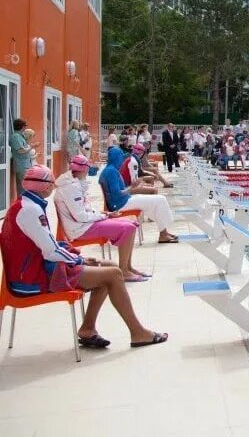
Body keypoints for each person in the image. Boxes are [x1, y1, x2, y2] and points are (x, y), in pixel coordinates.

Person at [0, 165, 167, 348]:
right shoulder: (31, 210)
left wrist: (79, 259)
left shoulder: (26, 204)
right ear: (42, 186)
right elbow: (50, 251)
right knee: (114, 275)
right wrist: (79, 260)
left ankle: (88, 329)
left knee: (108, 267)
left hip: (34, 268)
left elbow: (47, 246)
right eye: (50, 182)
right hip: (32, 279)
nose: (52, 186)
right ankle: (138, 333)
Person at [55, 155, 148, 282]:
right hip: (80, 229)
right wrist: (103, 216)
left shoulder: (75, 183)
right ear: (83, 170)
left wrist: (105, 214)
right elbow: (80, 216)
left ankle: (128, 267)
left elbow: (83, 210)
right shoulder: (70, 187)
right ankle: (124, 271)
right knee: (128, 228)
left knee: (131, 223)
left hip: (84, 224)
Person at [99, 147, 179, 244]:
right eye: (120, 157)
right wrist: (131, 188)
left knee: (156, 203)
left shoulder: (108, 169)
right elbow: (117, 193)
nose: (122, 160)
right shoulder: (111, 171)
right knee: (160, 199)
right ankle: (163, 233)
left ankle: (164, 232)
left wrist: (132, 188)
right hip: (121, 204)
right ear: (117, 158)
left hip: (121, 201)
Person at [9, 118, 36, 197]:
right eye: (25, 126)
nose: (25, 128)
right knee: (24, 187)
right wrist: (32, 146)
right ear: (22, 126)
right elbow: (20, 150)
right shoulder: (16, 136)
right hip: (21, 165)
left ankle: (23, 203)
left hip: (25, 165)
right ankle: (22, 204)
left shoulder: (20, 136)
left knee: (24, 186)